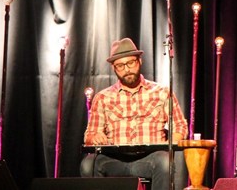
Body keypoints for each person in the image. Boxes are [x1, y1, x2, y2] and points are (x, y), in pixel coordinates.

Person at [80, 37, 188, 190]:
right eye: (120, 66)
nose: (127, 69)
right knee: (88, 164)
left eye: (131, 63)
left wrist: (173, 141)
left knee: (166, 162)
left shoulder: (162, 92)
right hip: (114, 159)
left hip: (150, 158)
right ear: (113, 68)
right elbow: (89, 135)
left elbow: (180, 125)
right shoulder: (103, 97)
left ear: (139, 61)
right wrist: (95, 137)